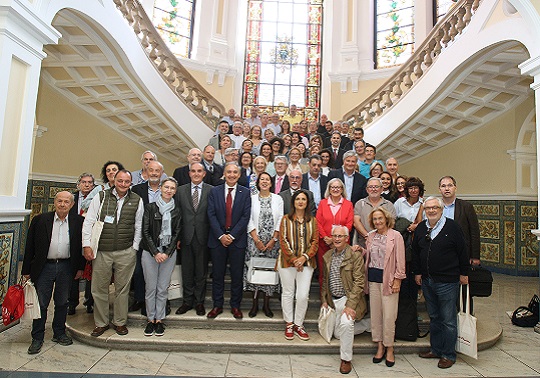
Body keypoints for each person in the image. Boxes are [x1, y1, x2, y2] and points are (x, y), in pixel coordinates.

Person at [82, 170, 144, 337]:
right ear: (114, 181)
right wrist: (86, 245)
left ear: (131, 183)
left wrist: (135, 247)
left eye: (127, 181)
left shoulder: (137, 200)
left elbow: (138, 226)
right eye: (120, 181)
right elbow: (89, 221)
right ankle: (101, 323)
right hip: (102, 251)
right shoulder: (101, 197)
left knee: (122, 289)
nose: (123, 184)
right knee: (99, 288)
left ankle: (120, 322)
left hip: (126, 251)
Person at [22, 191, 85, 354]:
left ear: (72, 205)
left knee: (62, 302)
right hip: (44, 267)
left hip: (66, 266)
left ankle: (59, 333)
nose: (62, 204)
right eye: (59, 201)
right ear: (54, 202)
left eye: (66, 202)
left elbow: (81, 247)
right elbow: (29, 246)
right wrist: (26, 270)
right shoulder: (40, 220)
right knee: (41, 303)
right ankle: (37, 337)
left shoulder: (79, 222)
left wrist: (80, 268)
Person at [412, 196, 469, 369]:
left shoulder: (452, 227)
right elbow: (416, 252)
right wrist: (418, 273)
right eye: (428, 208)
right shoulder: (422, 227)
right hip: (428, 280)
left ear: (441, 209)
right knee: (434, 317)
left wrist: (464, 273)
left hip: (447, 281)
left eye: (434, 207)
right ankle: (435, 349)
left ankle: (448, 354)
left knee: (448, 319)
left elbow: (462, 250)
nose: (431, 210)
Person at [207, 162, 251, 319]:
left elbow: (245, 217)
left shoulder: (245, 192)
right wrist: (221, 235)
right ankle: (217, 305)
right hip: (217, 239)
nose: (232, 175)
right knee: (218, 275)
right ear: (224, 174)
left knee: (236, 275)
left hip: (237, 241)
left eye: (235, 172)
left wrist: (232, 236)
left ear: (239, 175)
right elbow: (210, 214)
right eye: (229, 172)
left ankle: (235, 306)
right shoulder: (214, 191)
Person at [320, 225, 367, 374]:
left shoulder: (355, 256)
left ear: (347, 238)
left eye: (340, 236)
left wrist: (350, 305)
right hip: (333, 302)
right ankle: (368, 324)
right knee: (337, 334)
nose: (337, 239)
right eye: (335, 236)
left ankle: (346, 359)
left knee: (346, 325)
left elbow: (359, 282)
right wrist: (324, 299)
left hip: (348, 299)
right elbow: (325, 280)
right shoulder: (328, 255)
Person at [364, 208, 406, 368]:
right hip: (373, 279)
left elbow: (400, 261)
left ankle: (390, 348)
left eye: (380, 218)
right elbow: (369, 256)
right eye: (375, 219)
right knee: (376, 315)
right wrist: (359, 250)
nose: (378, 222)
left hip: (389, 280)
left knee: (389, 316)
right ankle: (379, 346)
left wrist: (398, 279)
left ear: (386, 219)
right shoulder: (370, 236)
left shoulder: (396, 236)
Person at [141, 177, 181, 336]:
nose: (169, 190)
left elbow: (177, 233)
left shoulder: (177, 210)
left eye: (172, 188)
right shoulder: (150, 208)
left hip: (168, 254)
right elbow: (145, 232)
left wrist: (167, 253)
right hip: (150, 253)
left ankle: (160, 320)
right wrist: (155, 252)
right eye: (166, 187)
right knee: (150, 288)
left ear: (175, 191)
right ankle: (150, 320)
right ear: (161, 189)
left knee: (163, 288)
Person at [278, 190, 318, 341]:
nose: (300, 201)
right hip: (287, 262)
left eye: (303, 199)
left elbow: (315, 241)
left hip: (307, 263)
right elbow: (283, 240)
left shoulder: (312, 221)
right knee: (288, 293)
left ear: (307, 203)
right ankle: (289, 323)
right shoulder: (285, 219)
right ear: (293, 202)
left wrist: (303, 258)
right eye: (298, 199)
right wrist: (295, 259)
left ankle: (298, 324)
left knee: (302, 295)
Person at [439, 175, 481, 313]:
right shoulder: (436, 207)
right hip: (442, 256)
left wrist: (475, 256)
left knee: (464, 289)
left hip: (462, 255)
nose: (447, 188)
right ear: (439, 189)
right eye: (443, 186)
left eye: (449, 185)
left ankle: (466, 319)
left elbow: (474, 232)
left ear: (455, 187)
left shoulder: (466, 207)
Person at [175, 163, 212, 316]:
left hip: (203, 237)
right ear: (189, 173)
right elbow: (177, 215)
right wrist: (177, 237)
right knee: (187, 271)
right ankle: (187, 301)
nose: (196, 174)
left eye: (199, 171)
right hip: (185, 237)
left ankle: (199, 302)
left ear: (204, 173)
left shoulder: (212, 190)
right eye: (193, 171)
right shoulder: (180, 190)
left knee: (201, 272)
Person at [245, 172, 284, 318]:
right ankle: (254, 305)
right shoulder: (251, 198)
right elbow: (248, 218)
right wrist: (256, 239)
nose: (265, 182)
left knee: (269, 272)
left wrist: (274, 239)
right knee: (256, 270)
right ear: (258, 182)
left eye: (267, 179)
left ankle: (267, 304)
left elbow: (280, 218)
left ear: (271, 183)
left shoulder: (278, 199)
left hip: (272, 243)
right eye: (262, 179)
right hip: (254, 241)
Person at [131, 161, 167, 315]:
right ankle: (140, 300)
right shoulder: (136, 189)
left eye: (157, 171)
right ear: (146, 171)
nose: (153, 173)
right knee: (139, 272)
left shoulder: (167, 189)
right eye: (151, 170)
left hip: (162, 237)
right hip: (141, 237)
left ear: (161, 173)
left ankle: (157, 304)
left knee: (160, 274)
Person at [315, 178, 354, 289]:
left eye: (338, 187)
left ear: (342, 189)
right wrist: (326, 238)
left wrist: (337, 239)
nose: (335, 189)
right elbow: (317, 222)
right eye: (333, 187)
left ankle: (339, 301)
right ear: (329, 189)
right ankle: (325, 301)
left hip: (342, 246)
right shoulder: (323, 203)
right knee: (324, 273)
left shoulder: (348, 204)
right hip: (324, 244)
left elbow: (349, 224)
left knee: (340, 273)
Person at [68, 173, 95, 315]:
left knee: (90, 271)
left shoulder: (97, 198)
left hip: (91, 238)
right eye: (84, 182)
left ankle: (89, 301)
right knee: (74, 271)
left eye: (90, 182)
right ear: (78, 184)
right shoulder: (71, 198)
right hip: (73, 238)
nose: (87, 185)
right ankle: (71, 303)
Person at [353, 177, 397, 247]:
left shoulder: (389, 205)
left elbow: (391, 224)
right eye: (370, 187)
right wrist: (368, 236)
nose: (373, 189)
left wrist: (379, 239)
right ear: (367, 190)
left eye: (376, 187)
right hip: (363, 244)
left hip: (384, 244)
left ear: (382, 189)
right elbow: (356, 222)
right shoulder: (360, 203)